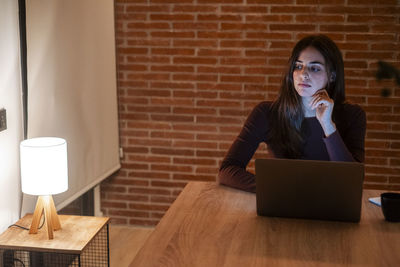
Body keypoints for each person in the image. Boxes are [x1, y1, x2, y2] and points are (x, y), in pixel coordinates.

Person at [218, 34, 366, 193]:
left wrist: (328, 125)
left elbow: (353, 181)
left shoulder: (353, 116)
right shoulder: (267, 113)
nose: (303, 74)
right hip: (280, 206)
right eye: (298, 66)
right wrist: (277, 189)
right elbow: (227, 170)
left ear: (332, 76)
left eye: (314, 68)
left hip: (330, 209)